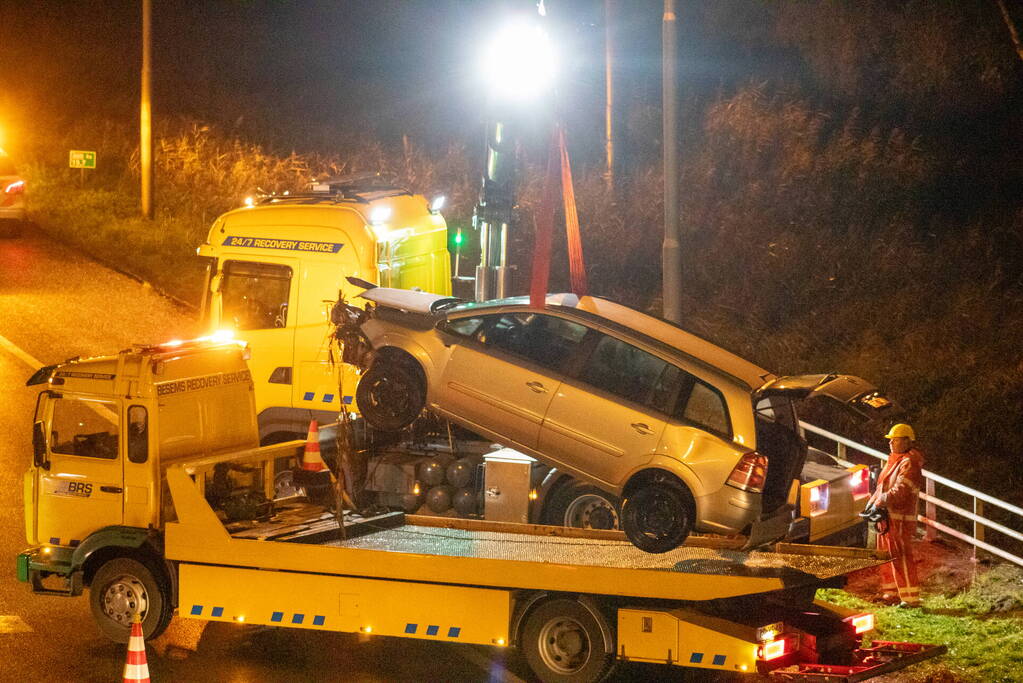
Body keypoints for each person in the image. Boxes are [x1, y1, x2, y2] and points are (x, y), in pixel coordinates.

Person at [867, 423, 925, 608]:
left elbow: (901, 491)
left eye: (895, 439)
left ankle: (909, 598)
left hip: (899, 518)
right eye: (890, 439)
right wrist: (871, 503)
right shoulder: (896, 460)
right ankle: (891, 593)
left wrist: (880, 500)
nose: (890, 442)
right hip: (888, 517)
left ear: (907, 441)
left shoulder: (910, 463)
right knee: (886, 556)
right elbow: (883, 485)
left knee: (900, 557)